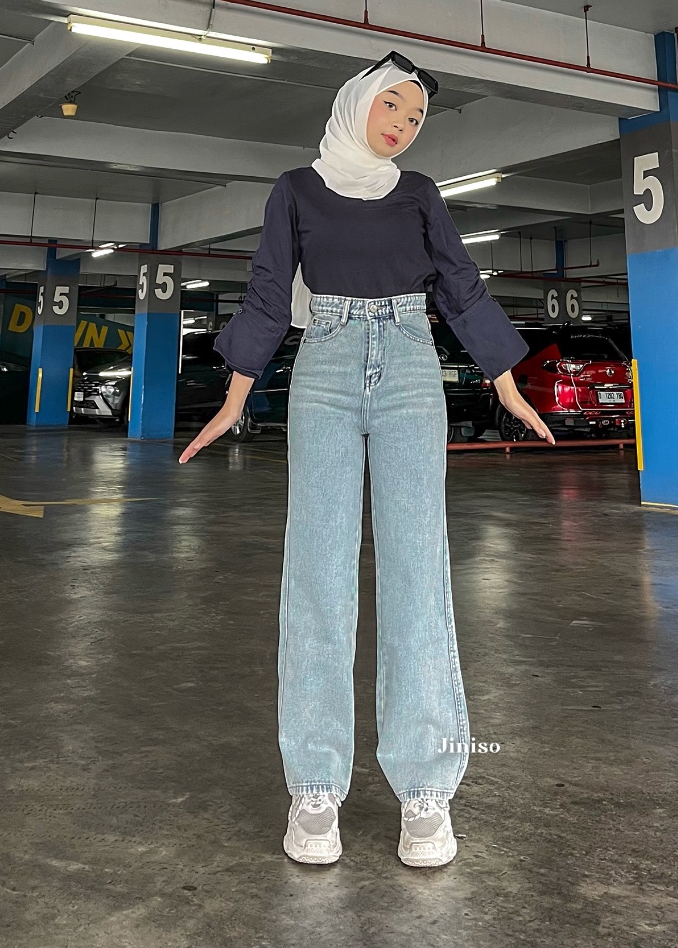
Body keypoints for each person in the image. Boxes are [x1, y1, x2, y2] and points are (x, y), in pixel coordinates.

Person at [180, 51, 555, 867]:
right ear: (357, 103)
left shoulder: (419, 194)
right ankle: (315, 787)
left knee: (419, 571)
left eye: (416, 117)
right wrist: (237, 396)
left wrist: (506, 379)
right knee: (318, 574)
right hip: (325, 362)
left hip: (412, 365)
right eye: (393, 106)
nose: (404, 125)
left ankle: (426, 789)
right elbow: (269, 291)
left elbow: (459, 283)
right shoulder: (296, 190)